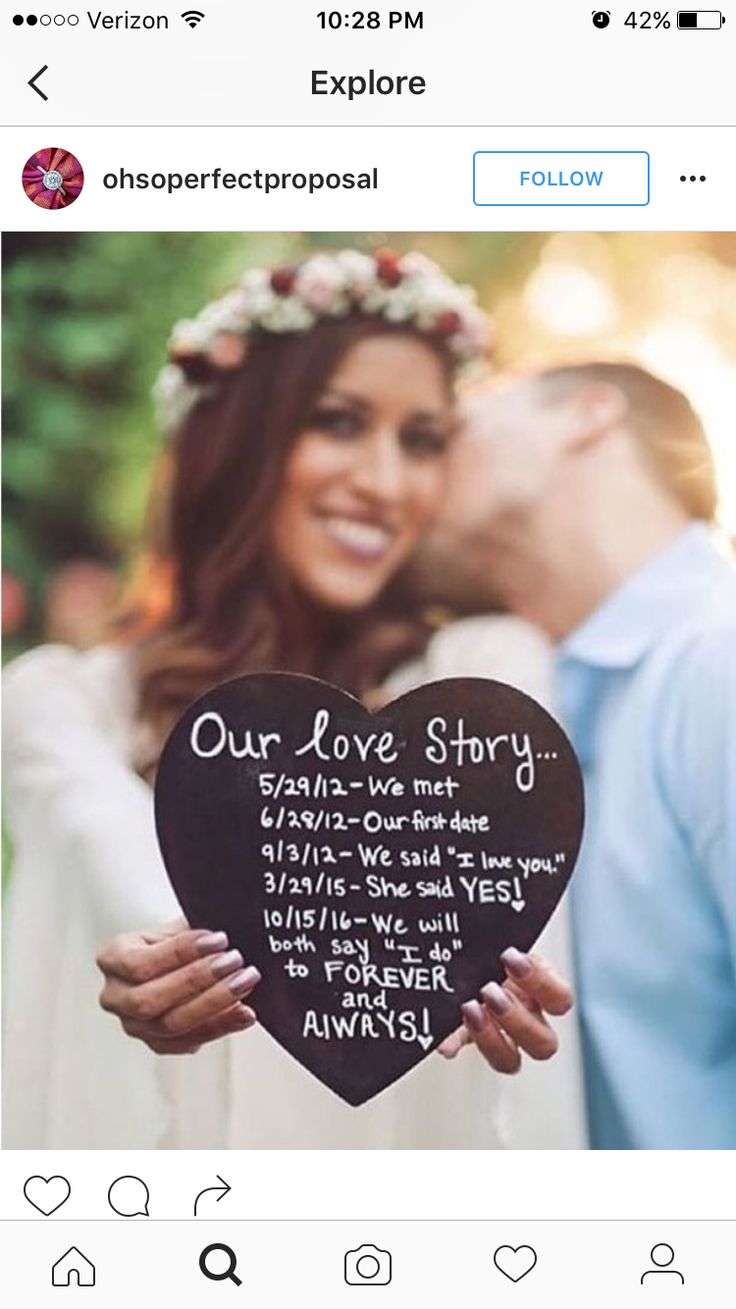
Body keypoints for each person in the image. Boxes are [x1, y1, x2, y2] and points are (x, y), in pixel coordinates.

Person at [2, 249, 583, 1149]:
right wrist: (154, 956)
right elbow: (123, 861)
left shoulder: (482, 677)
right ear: (236, 442)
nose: (385, 483)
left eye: (421, 440)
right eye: (338, 421)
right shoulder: (60, 701)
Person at [427, 361, 736, 1149]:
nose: (412, 469)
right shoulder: (511, 705)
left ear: (588, 415)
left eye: (450, 426)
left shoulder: (716, 661)